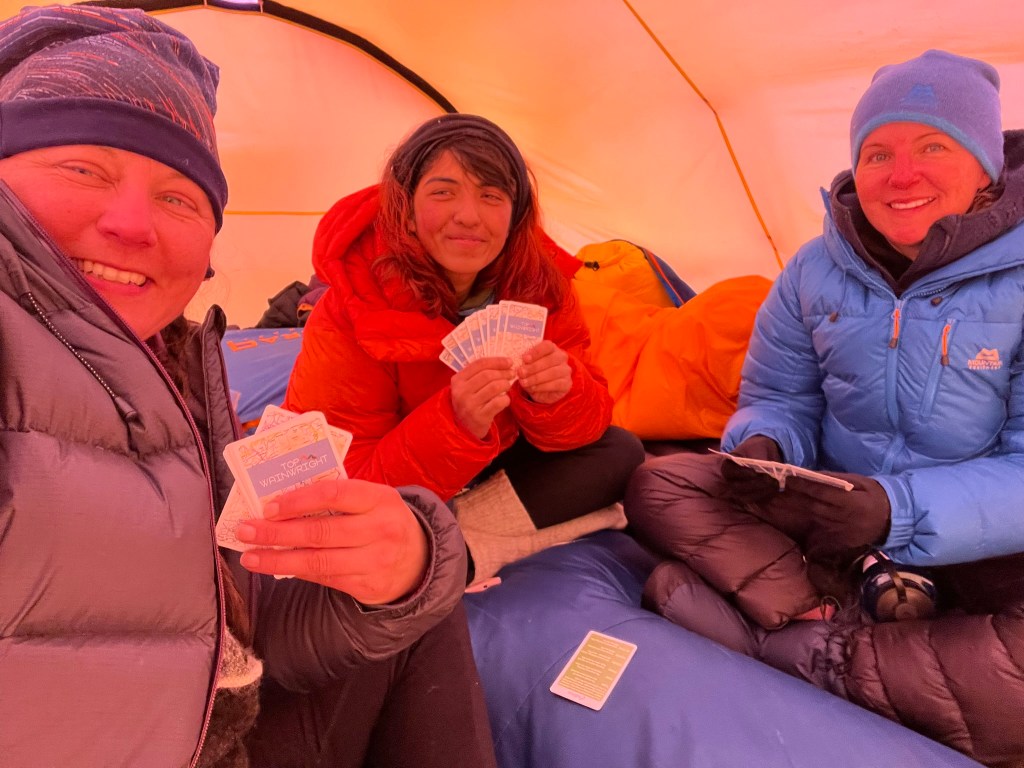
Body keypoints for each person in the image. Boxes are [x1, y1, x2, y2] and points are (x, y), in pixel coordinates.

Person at [0, 6, 497, 768]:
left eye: (178, 197)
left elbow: (211, 623)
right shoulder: (343, 312)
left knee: (435, 570)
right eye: (83, 169)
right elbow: (363, 461)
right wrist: (460, 421)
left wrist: (406, 566)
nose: (132, 223)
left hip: (217, 714)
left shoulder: (174, 371)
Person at [625, 49, 1024, 766]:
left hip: (983, 545)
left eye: (933, 147)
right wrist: (764, 446)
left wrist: (898, 511)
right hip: (833, 526)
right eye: (878, 154)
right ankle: (844, 616)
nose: (901, 175)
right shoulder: (816, 269)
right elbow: (779, 396)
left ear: (986, 167)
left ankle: (794, 647)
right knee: (660, 482)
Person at [283, 113, 646, 580]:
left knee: (619, 452)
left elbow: (586, 427)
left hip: (487, 471)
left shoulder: (540, 287)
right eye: (443, 192)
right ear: (406, 210)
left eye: (491, 196)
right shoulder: (351, 313)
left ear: (515, 217)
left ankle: (451, 552)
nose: (469, 215)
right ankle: (448, 549)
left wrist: (560, 395)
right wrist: (456, 423)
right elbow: (339, 485)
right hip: (396, 483)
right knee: (349, 529)